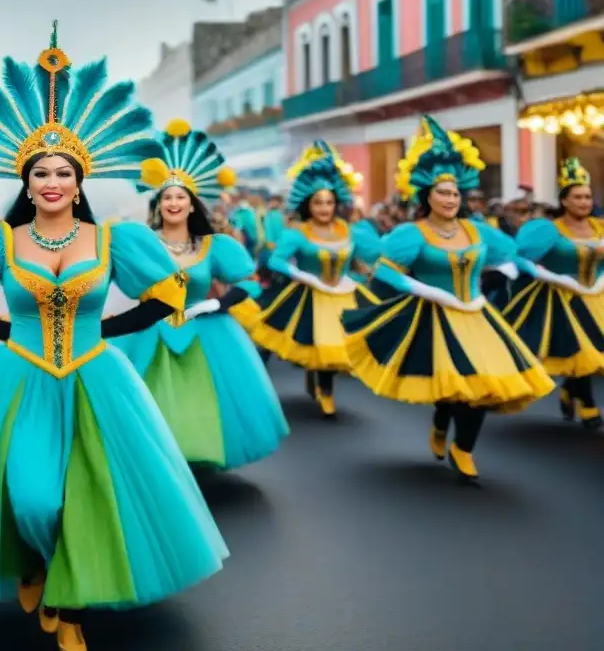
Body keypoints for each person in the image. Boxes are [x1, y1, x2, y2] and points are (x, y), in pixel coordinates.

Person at [0, 25, 227, 651]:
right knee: (33, 497)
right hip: (17, 377)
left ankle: (69, 600)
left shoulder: (114, 240)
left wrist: (108, 330)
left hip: (96, 378)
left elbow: (166, 295)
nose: (52, 181)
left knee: (87, 498)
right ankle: (33, 563)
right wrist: (0, 328)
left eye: (63, 171)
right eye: (41, 172)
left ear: (79, 180)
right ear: (26, 183)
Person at [341, 116, 553, 480]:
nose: (451, 199)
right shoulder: (412, 233)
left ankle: (463, 448)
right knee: (452, 389)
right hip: (432, 317)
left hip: (476, 314)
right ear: (427, 196)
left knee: (483, 385)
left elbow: (508, 256)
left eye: (456, 193)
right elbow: (386, 270)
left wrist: (507, 271)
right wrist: (425, 290)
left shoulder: (477, 229)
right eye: (443, 192)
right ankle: (441, 424)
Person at [114, 119, 289, 469]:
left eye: (180, 197)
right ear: (158, 205)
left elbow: (250, 283)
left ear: (192, 205)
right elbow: (119, 278)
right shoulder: (143, 244)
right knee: (154, 399)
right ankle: (163, 460)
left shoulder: (214, 246)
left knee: (204, 397)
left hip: (207, 333)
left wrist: (215, 303)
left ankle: (197, 452)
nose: (173, 202)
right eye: (167, 197)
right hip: (152, 331)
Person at [253, 141, 379, 418]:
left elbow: (375, 254)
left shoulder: (351, 230)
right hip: (312, 296)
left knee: (347, 346)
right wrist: (305, 277)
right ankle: (326, 392)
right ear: (308, 205)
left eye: (329, 202)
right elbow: (276, 261)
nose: (324, 207)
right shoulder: (298, 232)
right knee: (322, 344)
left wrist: (376, 267)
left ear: (337, 203)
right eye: (318, 202)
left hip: (345, 293)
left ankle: (321, 382)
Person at [501, 158, 604, 431]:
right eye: (578, 197)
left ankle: (570, 390)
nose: (584, 202)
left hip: (597, 294)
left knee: (595, 355)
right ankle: (588, 403)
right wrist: (552, 277)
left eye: (587, 197)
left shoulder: (600, 228)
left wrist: (598, 284)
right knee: (579, 349)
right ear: (565, 201)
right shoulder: (547, 229)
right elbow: (520, 259)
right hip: (560, 298)